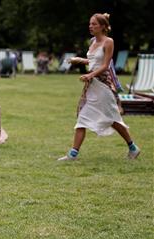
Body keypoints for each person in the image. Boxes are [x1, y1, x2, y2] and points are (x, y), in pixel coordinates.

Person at [58, 13, 140, 161]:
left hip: (103, 86)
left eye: (94, 24)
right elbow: (92, 61)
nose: (90, 26)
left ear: (103, 27)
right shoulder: (92, 41)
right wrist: (79, 60)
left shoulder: (109, 42)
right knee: (82, 119)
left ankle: (133, 148)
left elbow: (105, 66)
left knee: (113, 120)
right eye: (90, 24)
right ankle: (72, 154)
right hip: (92, 87)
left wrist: (90, 75)